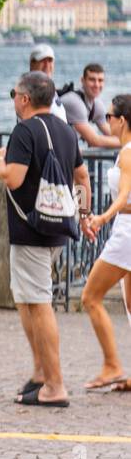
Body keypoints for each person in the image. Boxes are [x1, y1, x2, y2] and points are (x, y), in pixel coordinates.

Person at [0, 71, 90, 408]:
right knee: (27, 299)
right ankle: (40, 372)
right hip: (56, 229)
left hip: (31, 230)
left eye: (13, 94)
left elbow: (15, 179)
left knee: (39, 303)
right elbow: (81, 176)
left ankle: (55, 385)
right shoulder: (66, 131)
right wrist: (84, 214)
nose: (13, 100)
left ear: (24, 98)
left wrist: (0, 164)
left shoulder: (24, 131)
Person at [79, 93, 131, 389]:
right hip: (126, 227)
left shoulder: (127, 153)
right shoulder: (126, 150)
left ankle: (112, 365)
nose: (105, 120)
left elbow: (123, 195)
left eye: (109, 117)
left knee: (90, 297)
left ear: (122, 120)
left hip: (126, 232)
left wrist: (102, 217)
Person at [56, 63, 119, 149]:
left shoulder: (96, 104)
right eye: (92, 80)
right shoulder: (74, 102)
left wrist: (126, 139)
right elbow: (93, 141)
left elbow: (112, 133)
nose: (96, 85)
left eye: (100, 80)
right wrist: (126, 141)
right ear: (82, 80)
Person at [26, 45, 68, 123]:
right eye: (42, 61)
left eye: (50, 61)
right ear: (32, 64)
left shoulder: (48, 87)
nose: (47, 65)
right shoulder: (29, 91)